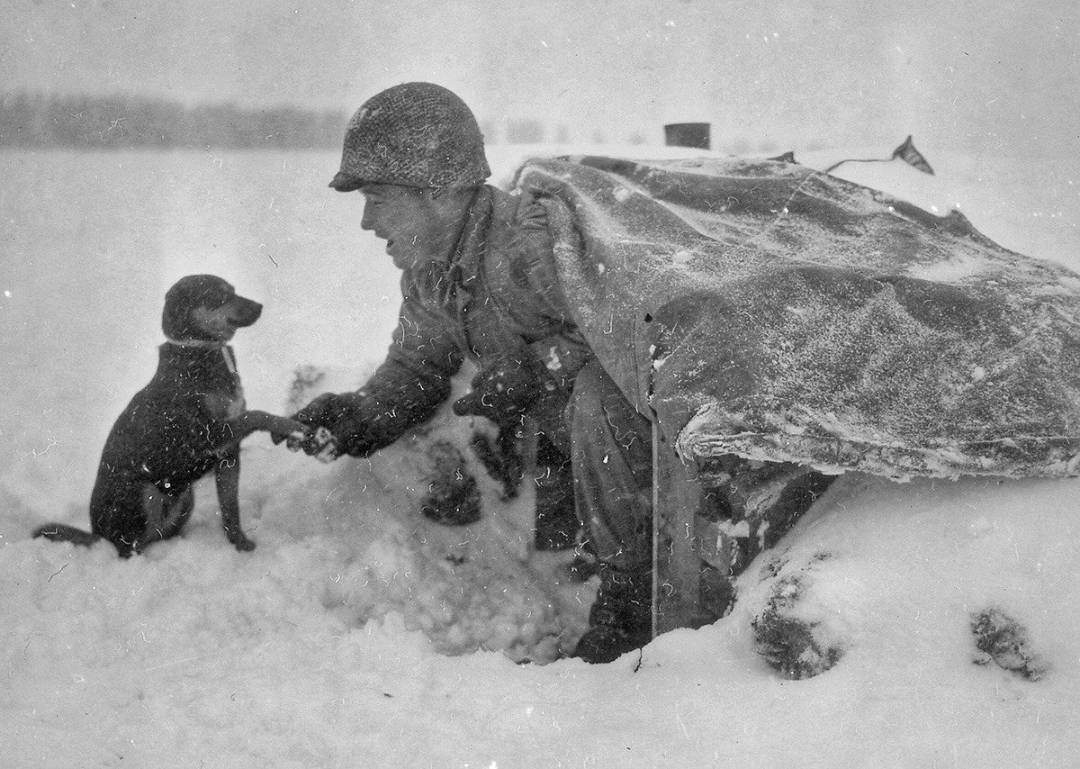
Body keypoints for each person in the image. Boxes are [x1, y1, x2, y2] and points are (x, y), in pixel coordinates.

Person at [294, 82, 659, 663]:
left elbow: (632, 341)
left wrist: (534, 371)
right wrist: (362, 413)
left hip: (648, 451)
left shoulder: (534, 244)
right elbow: (419, 365)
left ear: (438, 192)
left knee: (598, 397)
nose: (367, 223)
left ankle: (642, 602)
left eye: (379, 200)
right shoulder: (429, 272)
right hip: (578, 458)